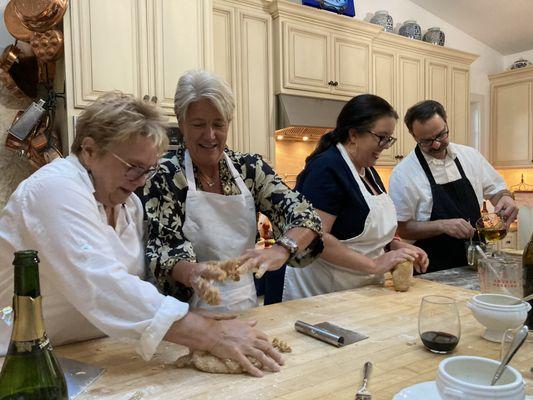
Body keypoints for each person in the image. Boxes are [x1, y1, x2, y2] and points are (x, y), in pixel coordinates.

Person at [0, 92, 283, 377]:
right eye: (133, 167)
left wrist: (187, 316)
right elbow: (102, 284)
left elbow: (137, 284)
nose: (141, 181)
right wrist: (209, 334)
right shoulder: (55, 189)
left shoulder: (128, 207)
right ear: (89, 151)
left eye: (148, 170)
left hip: (93, 353)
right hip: (19, 362)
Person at [141, 70, 322, 312]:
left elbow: (305, 215)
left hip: (246, 307)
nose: (210, 135)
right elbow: (163, 252)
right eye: (198, 125)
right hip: (185, 315)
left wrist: (282, 248)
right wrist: (195, 273)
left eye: (218, 124)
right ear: (181, 122)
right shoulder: (164, 175)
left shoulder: (249, 169)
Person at [283, 94, 428, 300]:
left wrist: (395, 246)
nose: (386, 145)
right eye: (381, 137)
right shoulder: (327, 168)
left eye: (389, 139)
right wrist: (374, 264)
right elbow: (315, 237)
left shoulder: (366, 170)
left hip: (357, 289)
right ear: (353, 135)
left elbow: (359, 232)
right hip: (322, 293)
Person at [389, 100, 518, 272]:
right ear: (413, 135)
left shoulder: (470, 156)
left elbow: (497, 191)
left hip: (475, 263)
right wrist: (441, 225)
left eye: (441, 135)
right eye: (426, 141)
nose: (436, 144)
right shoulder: (403, 173)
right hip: (432, 270)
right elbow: (402, 228)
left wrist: (506, 198)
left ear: (446, 122)